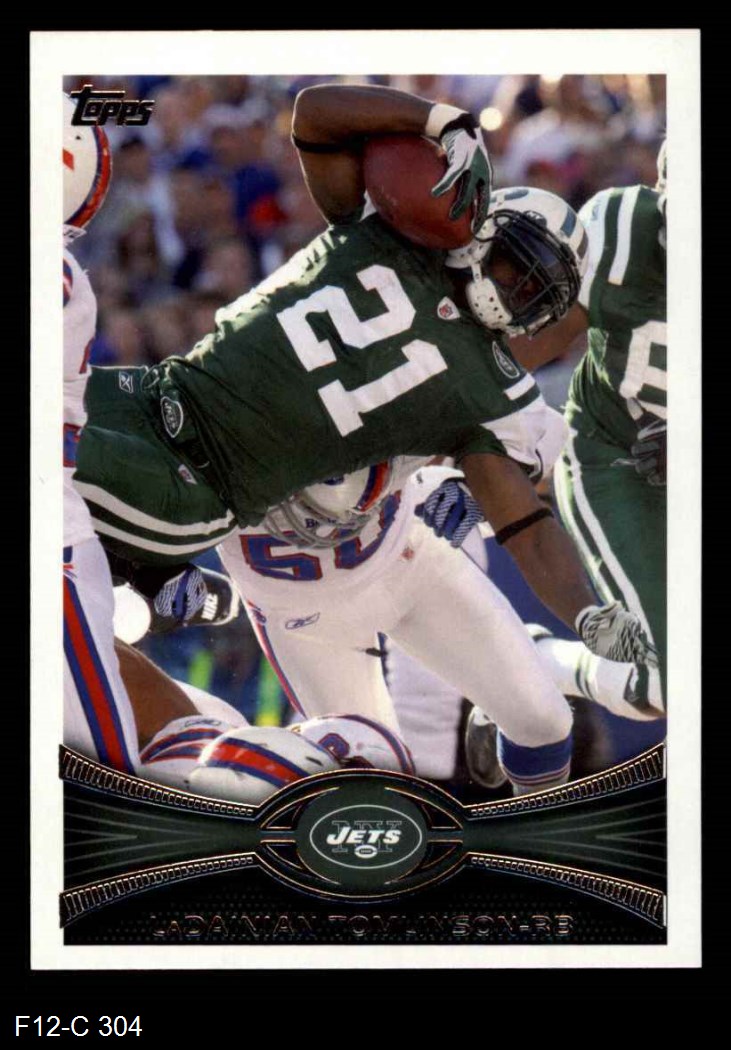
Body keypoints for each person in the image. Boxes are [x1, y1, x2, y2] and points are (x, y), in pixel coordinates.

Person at [73, 82, 656, 683]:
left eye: (538, 293)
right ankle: (148, 577)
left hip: (196, 480)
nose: (519, 293)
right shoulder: (389, 229)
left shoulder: (491, 391)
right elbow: (314, 115)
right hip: (152, 391)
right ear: (485, 227)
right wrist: (441, 119)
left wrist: (586, 614)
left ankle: (148, 576)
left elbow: (526, 528)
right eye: (518, 268)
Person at [507, 139, 667, 717]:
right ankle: (536, 663)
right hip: (614, 458)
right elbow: (518, 356)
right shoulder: (620, 232)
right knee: (672, 682)